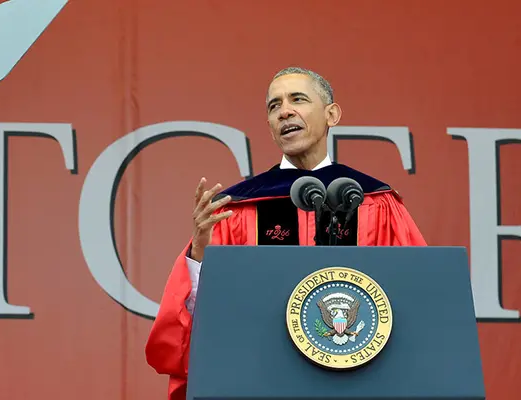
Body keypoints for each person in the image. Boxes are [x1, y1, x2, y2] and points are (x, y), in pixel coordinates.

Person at [144, 67, 426, 400]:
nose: (284, 111)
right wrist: (202, 255)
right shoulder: (239, 207)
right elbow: (202, 328)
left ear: (331, 114)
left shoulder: (376, 201)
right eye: (274, 106)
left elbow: (418, 300)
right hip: (262, 384)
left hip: (360, 383)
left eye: (298, 99)